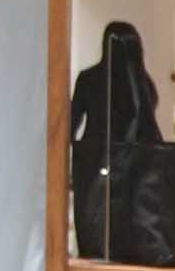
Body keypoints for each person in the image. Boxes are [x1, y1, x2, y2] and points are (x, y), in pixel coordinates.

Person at [68, 19, 161, 199]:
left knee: (95, 212)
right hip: (134, 167)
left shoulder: (88, 79)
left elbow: (72, 123)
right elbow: (149, 127)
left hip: (95, 162)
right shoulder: (143, 83)